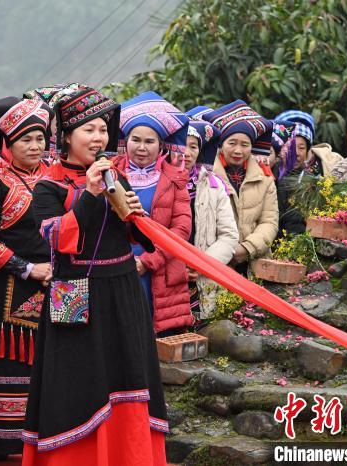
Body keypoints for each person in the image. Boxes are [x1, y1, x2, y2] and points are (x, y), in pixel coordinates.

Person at [23, 87, 168, 466]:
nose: (99, 138)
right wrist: (89, 192)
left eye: (103, 130)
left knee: (128, 376)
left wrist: (136, 216)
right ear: (66, 136)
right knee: (77, 383)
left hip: (122, 290)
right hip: (72, 290)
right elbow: (57, 238)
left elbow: (141, 240)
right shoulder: (48, 185)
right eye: (89, 129)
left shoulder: (115, 176)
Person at [0, 97, 53, 459]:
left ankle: (54, 432)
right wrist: (27, 268)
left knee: (57, 357)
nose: (35, 147)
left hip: (60, 279)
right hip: (15, 282)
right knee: (13, 358)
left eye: (40, 139)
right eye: (26, 140)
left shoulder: (55, 175)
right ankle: (5, 442)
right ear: (9, 144)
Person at [113, 91, 193, 335]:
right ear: (125, 142)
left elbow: (181, 230)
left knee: (154, 337)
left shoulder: (175, 178)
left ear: (161, 146)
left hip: (159, 268)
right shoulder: (109, 174)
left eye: (150, 142)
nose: (142, 147)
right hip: (116, 264)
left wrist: (147, 262)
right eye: (136, 140)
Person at [204, 100, 278, 276]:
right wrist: (225, 251)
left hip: (255, 261)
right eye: (232, 143)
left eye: (244, 145)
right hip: (216, 262)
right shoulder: (206, 176)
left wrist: (246, 248)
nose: (238, 150)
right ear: (221, 145)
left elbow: (270, 221)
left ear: (251, 147)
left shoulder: (264, 177)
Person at [180, 119, 239, 320]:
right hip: (167, 276)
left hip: (203, 274)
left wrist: (201, 264)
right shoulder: (157, 182)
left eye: (193, 146)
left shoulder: (214, 186)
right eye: (181, 144)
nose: (186, 152)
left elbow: (229, 235)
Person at [276, 109, 342, 177]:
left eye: (301, 148)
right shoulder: (271, 167)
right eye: (289, 147)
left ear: (308, 148)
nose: (296, 153)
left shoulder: (333, 161)